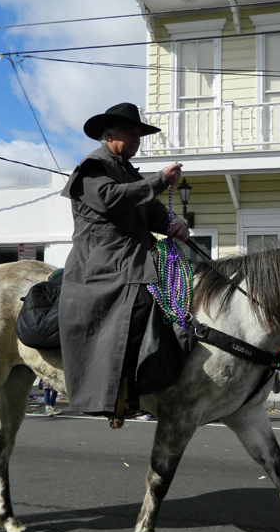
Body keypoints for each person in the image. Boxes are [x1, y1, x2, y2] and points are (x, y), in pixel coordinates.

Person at [58, 102, 189, 421]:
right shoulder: (93, 167)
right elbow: (112, 199)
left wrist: (174, 221)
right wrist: (159, 180)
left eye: (139, 135)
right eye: (130, 133)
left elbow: (149, 209)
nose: (136, 139)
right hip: (102, 266)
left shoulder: (129, 172)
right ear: (108, 134)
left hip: (130, 262)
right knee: (144, 304)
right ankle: (119, 390)